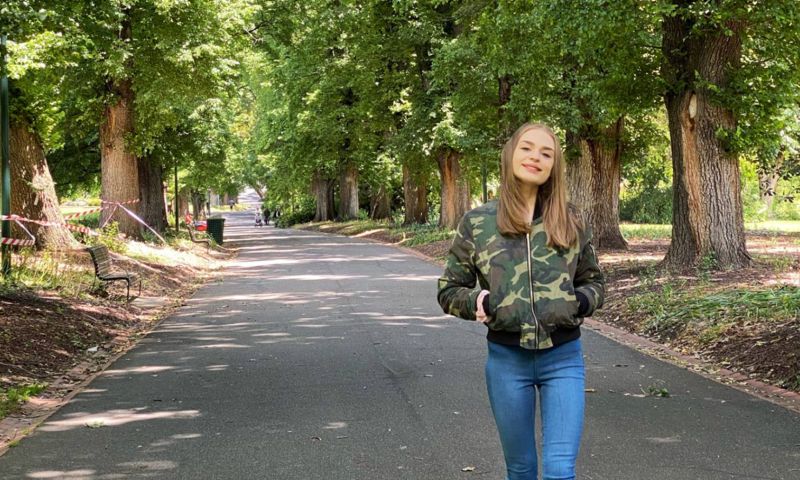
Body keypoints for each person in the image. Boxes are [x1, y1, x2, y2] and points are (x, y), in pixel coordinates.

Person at [437, 123, 605, 480]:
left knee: (560, 471)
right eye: (527, 148)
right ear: (511, 154)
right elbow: (449, 288)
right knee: (522, 469)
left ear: (554, 166)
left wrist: (579, 303)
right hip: (506, 362)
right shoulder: (479, 223)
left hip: (563, 359)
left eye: (547, 153)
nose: (536, 157)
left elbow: (593, 281)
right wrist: (476, 300)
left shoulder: (570, 218)